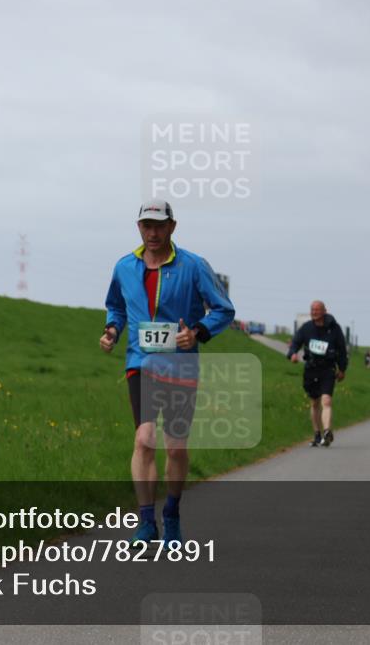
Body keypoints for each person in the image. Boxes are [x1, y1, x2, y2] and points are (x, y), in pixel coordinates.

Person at [101, 200, 234, 548]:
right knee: (144, 438)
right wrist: (112, 331)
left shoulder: (193, 265)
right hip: (141, 363)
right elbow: (116, 306)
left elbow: (223, 309)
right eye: (147, 226)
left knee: (175, 448)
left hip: (181, 365)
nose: (153, 233)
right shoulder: (124, 267)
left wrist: (198, 332)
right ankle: (146, 523)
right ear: (139, 228)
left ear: (172, 227)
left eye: (159, 226)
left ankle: (171, 514)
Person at [286, 301, 348, 447]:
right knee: (314, 403)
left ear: (324, 311)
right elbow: (295, 343)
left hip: (328, 369)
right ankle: (317, 434)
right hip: (311, 369)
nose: (314, 312)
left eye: (317, 310)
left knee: (326, 401)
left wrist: (342, 369)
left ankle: (327, 432)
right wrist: (292, 354)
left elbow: (342, 350)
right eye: (312, 309)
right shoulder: (306, 328)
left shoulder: (334, 329)